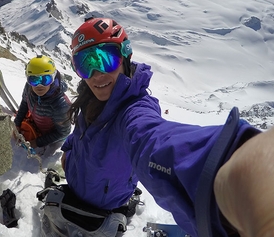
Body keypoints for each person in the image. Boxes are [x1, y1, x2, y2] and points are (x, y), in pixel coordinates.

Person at [58, 17, 271, 237]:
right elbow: (82, 133)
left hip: (100, 207)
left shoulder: (133, 111)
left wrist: (228, 166)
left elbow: (152, 140)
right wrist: (69, 149)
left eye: (105, 59)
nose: (96, 74)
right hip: (77, 186)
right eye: (85, 64)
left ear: (125, 57)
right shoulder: (90, 98)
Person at [14, 55, 71, 149]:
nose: (39, 85)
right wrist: (17, 123)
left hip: (51, 137)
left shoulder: (60, 104)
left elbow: (63, 132)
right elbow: (25, 102)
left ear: (53, 78)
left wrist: (36, 142)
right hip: (38, 123)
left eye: (45, 79)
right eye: (34, 80)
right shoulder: (29, 87)